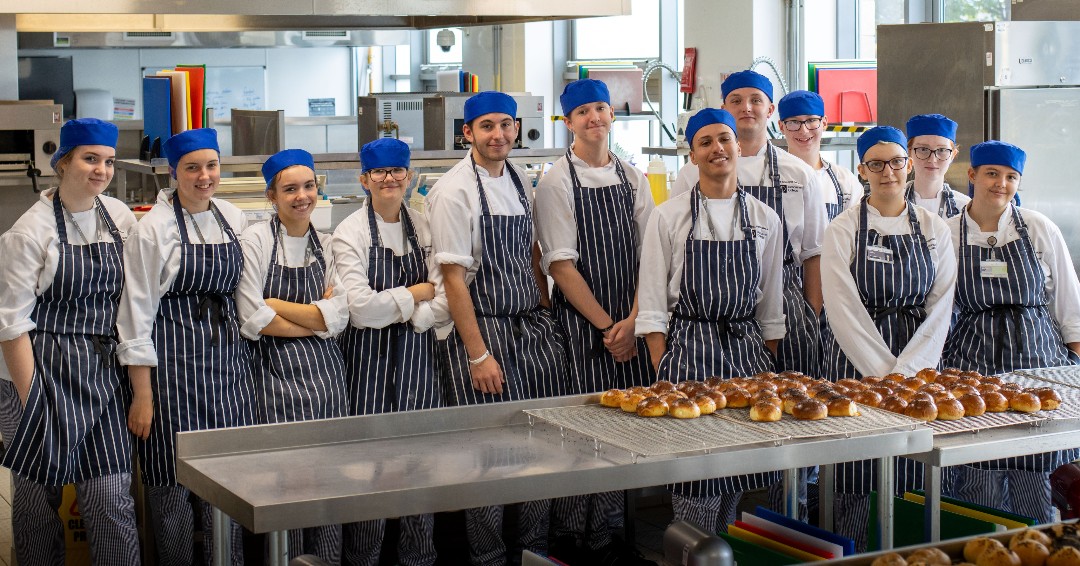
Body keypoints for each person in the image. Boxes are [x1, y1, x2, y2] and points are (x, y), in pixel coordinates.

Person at [426, 91, 568, 565]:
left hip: (531, 331)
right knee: (486, 457)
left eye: (506, 124)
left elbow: (532, 254)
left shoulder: (521, 178)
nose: (498, 135)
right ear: (467, 132)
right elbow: (453, 280)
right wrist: (478, 354)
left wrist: (545, 314)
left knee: (541, 448)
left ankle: (534, 553)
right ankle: (488, 557)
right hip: (484, 330)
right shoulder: (453, 191)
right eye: (486, 126)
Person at [636, 108, 785, 533]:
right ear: (692, 155)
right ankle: (692, 552)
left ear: (738, 146)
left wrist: (763, 359)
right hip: (689, 349)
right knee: (695, 479)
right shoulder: (669, 216)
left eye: (724, 139)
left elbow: (770, 305)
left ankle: (721, 551)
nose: (717, 148)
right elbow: (652, 300)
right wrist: (663, 363)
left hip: (746, 352)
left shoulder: (765, 218)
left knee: (735, 472)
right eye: (705, 142)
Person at [0, 118, 140, 565]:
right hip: (39, 369)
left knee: (110, 494)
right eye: (90, 159)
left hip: (102, 371)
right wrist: (34, 403)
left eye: (109, 161)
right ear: (63, 163)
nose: (102, 170)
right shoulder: (29, 232)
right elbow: (11, 326)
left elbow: (135, 295)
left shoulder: (118, 217)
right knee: (38, 499)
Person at [118, 127, 253, 565]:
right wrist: (142, 395)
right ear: (174, 172)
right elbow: (136, 315)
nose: (204, 176)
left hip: (229, 370)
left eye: (211, 165)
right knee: (170, 486)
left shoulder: (233, 218)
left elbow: (246, 295)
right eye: (192, 168)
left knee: (228, 485)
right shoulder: (153, 229)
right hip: (171, 374)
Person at [535, 79, 656, 564]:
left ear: (611, 115)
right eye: (583, 111)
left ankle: (612, 537)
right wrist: (610, 328)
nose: (593, 118)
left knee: (626, 432)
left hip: (631, 322)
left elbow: (652, 257)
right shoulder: (556, 182)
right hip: (585, 329)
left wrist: (634, 320)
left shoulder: (634, 178)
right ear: (569, 122)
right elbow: (561, 267)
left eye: (600, 109)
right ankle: (575, 539)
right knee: (585, 433)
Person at [821, 126, 957, 550]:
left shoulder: (934, 228)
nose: (888, 172)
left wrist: (909, 371)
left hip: (919, 360)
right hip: (854, 363)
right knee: (856, 474)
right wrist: (885, 374)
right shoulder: (843, 228)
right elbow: (842, 307)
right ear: (862, 170)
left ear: (909, 165)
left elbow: (941, 306)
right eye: (876, 164)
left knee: (913, 471)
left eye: (896, 162)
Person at [944, 140, 1080, 523]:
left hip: (1039, 364)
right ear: (972, 175)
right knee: (978, 477)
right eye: (992, 173)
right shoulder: (948, 233)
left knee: (1037, 475)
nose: (1000, 184)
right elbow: (939, 309)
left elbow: (1069, 304)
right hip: (973, 365)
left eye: (1010, 177)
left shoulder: (1038, 227)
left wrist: (1074, 366)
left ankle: (1039, 543)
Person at [332, 138, 449, 566]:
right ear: (364, 180)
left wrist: (416, 316)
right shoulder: (349, 232)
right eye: (379, 172)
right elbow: (361, 310)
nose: (389, 179)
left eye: (397, 171)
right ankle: (363, 558)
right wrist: (416, 294)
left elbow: (445, 294)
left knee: (420, 461)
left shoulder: (425, 225)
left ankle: (419, 557)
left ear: (410, 176)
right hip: (367, 361)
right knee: (368, 465)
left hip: (419, 358)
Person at [672, 71, 826, 378]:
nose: (746, 107)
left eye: (756, 100)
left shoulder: (799, 173)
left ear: (770, 110)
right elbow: (676, 245)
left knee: (792, 395)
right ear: (724, 108)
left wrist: (811, 314)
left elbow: (814, 254)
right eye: (736, 100)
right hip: (715, 305)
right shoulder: (692, 173)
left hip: (786, 303)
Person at [236, 148, 349, 563]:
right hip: (274, 379)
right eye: (290, 189)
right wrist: (315, 321)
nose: (302, 196)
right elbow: (253, 316)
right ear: (272, 195)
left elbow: (340, 316)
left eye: (308, 186)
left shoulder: (329, 244)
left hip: (327, 380)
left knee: (331, 482)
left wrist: (278, 304)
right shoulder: (255, 241)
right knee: (287, 484)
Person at [776, 90, 862, 222]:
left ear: (824, 123)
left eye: (811, 120)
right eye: (794, 122)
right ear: (781, 127)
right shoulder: (768, 176)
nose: (804, 130)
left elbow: (857, 228)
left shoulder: (845, 182)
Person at [905, 113, 969, 218]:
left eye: (942, 150)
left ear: (953, 155)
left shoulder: (966, 208)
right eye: (923, 149)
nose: (932, 159)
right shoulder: (890, 203)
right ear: (909, 152)